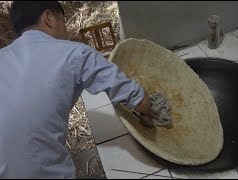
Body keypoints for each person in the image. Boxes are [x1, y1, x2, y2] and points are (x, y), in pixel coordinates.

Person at [0, 1, 158, 178]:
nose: (66, 31)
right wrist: (144, 103)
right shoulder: (74, 53)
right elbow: (132, 95)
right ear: (49, 18)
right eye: (64, 22)